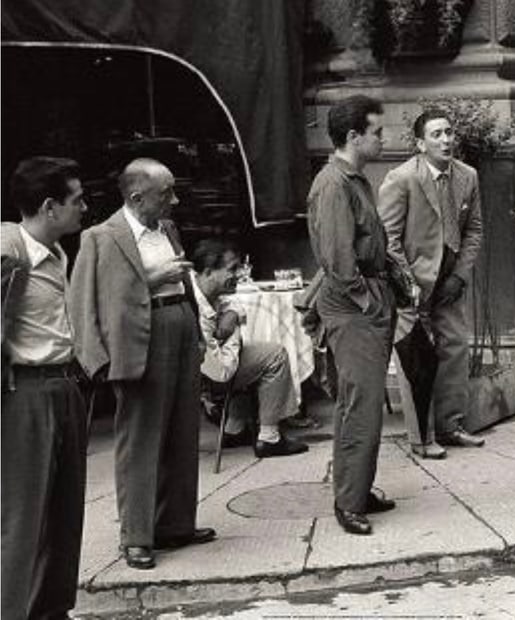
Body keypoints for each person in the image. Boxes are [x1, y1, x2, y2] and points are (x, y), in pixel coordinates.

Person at [69, 158, 215, 569]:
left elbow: (185, 283)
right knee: (140, 439)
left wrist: (197, 331)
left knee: (182, 431)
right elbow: (83, 301)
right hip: (138, 338)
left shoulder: (167, 228)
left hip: (178, 326)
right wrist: (95, 360)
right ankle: (136, 536)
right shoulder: (101, 237)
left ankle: (175, 524)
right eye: (166, 193)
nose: (175, 200)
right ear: (136, 196)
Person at [2, 157, 88, 619]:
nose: (85, 208)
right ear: (50, 206)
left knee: (64, 513)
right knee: (22, 519)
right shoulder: (9, 253)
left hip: (63, 386)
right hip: (25, 393)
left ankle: (53, 611)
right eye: (77, 200)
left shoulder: (55, 253)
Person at [307, 95, 397, 535]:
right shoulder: (333, 185)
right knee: (360, 404)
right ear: (353, 136)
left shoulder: (353, 179)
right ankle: (349, 501)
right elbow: (339, 258)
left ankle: (358, 489)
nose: (384, 139)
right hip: (353, 304)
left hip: (365, 298)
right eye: (377, 132)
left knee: (364, 403)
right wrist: (368, 301)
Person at [378, 108, 485, 458]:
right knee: (416, 361)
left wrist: (459, 275)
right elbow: (388, 239)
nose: (446, 140)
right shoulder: (402, 178)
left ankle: (450, 425)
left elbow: (474, 230)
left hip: (449, 280)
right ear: (421, 144)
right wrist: (408, 284)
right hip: (412, 283)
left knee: (455, 347)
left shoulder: (467, 176)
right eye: (436, 134)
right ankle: (421, 438)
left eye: (449, 132)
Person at [190, 238, 309, 458]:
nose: (239, 274)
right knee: (275, 355)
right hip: (204, 380)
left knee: (253, 353)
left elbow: (234, 302)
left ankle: (235, 428)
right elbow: (222, 372)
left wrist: (232, 314)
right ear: (208, 272)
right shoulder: (196, 308)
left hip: (209, 366)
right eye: (232, 269)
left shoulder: (202, 287)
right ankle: (269, 437)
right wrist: (232, 332)